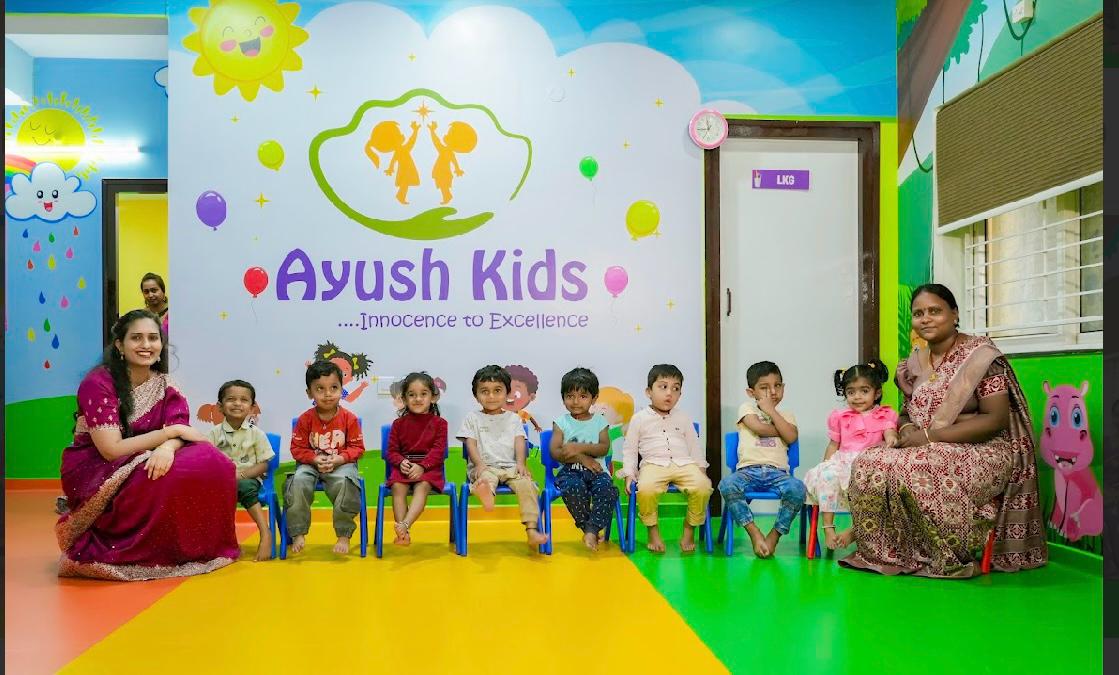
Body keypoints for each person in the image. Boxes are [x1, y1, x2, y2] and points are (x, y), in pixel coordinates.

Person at [841, 283, 1048, 577]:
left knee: (918, 467)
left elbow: (995, 419)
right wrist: (908, 428)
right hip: (923, 444)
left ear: (954, 314)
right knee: (868, 462)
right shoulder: (914, 362)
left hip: (983, 450)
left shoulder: (981, 357)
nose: (925, 319)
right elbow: (906, 413)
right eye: (918, 314)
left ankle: (946, 553)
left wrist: (929, 436)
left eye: (935, 311)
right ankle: (886, 553)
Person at [56, 309, 240, 580]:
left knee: (214, 462)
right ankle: (145, 551)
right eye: (136, 338)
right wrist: (170, 434)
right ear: (119, 345)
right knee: (165, 475)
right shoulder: (98, 383)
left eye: (153, 338)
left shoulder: (165, 384)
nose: (146, 345)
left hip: (151, 452)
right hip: (99, 466)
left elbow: (181, 431)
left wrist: (167, 447)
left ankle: (195, 548)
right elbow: (111, 449)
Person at [803, 360, 899, 551]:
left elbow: (890, 432)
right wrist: (825, 464)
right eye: (851, 392)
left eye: (864, 391)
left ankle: (856, 530)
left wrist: (891, 438)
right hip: (844, 462)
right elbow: (834, 444)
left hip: (870, 463)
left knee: (877, 485)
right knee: (826, 476)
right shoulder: (840, 417)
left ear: (876, 393)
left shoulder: (885, 414)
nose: (857, 397)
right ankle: (828, 527)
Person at [619, 364, 712, 554]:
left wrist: (701, 469)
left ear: (680, 394)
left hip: (684, 464)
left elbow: (694, 446)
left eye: (675, 389)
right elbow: (630, 449)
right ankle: (652, 530)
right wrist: (629, 474)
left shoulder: (683, 418)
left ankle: (689, 528)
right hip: (653, 465)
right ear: (649, 392)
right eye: (663, 387)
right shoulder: (639, 419)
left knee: (703, 486)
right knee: (646, 488)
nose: (669, 393)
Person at [718, 361, 805, 558]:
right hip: (747, 471)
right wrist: (783, 430)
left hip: (778, 473)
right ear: (751, 392)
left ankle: (775, 535)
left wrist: (772, 412)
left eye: (777, 385)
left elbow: (791, 437)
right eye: (764, 387)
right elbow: (759, 428)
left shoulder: (787, 415)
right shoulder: (747, 408)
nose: (772, 392)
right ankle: (754, 532)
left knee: (798, 488)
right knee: (727, 485)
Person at [457, 365, 548, 549]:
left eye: (497, 391)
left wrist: (521, 463)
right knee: (486, 478)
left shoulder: (513, 419)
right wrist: (479, 464)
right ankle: (485, 492)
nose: (491, 396)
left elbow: (520, 441)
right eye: (485, 391)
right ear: (476, 395)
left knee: (527, 485)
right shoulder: (472, 418)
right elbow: (470, 444)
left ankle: (531, 530)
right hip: (485, 467)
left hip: (510, 467)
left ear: (507, 393)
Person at [286, 361, 366, 555]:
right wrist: (314, 459)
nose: (328, 394)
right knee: (297, 481)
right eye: (320, 389)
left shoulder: (349, 419)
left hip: (340, 465)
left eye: (334, 388)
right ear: (309, 393)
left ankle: (344, 534)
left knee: (347, 483)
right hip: (310, 465)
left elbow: (357, 448)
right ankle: (298, 532)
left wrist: (340, 459)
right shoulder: (305, 419)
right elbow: (297, 449)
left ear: (341, 390)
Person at [549, 367, 618, 551]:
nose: (576, 401)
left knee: (608, 490)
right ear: (563, 398)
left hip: (597, 471)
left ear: (594, 398)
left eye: (583, 396)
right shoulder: (561, 423)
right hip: (570, 472)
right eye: (570, 396)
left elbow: (603, 448)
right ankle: (589, 529)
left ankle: (592, 529)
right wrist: (582, 458)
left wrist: (576, 447)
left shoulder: (600, 422)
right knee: (572, 487)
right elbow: (555, 452)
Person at [207, 379, 275, 561]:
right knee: (208, 493)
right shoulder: (213, 434)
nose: (237, 403)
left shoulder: (256, 434)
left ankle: (265, 532)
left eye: (244, 400)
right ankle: (227, 542)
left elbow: (264, 464)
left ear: (252, 408)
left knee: (244, 487)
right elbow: (207, 461)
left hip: (248, 479)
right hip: (222, 482)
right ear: (220, 406)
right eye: (231, 399)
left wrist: (242, 475)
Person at [386, 372, 448, 546]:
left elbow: (438, 451)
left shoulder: (440, 424)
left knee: (423, 487)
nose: (418, 399)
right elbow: (392, 451)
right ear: (405, 399)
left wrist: (422, 466)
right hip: (404, 467)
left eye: (423, 394)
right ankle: (403, 535)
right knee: (397, 487)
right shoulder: (398, 424)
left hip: (429, 469)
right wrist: (401, 462)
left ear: (433, 397)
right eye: (412, 395)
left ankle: (405, 525)